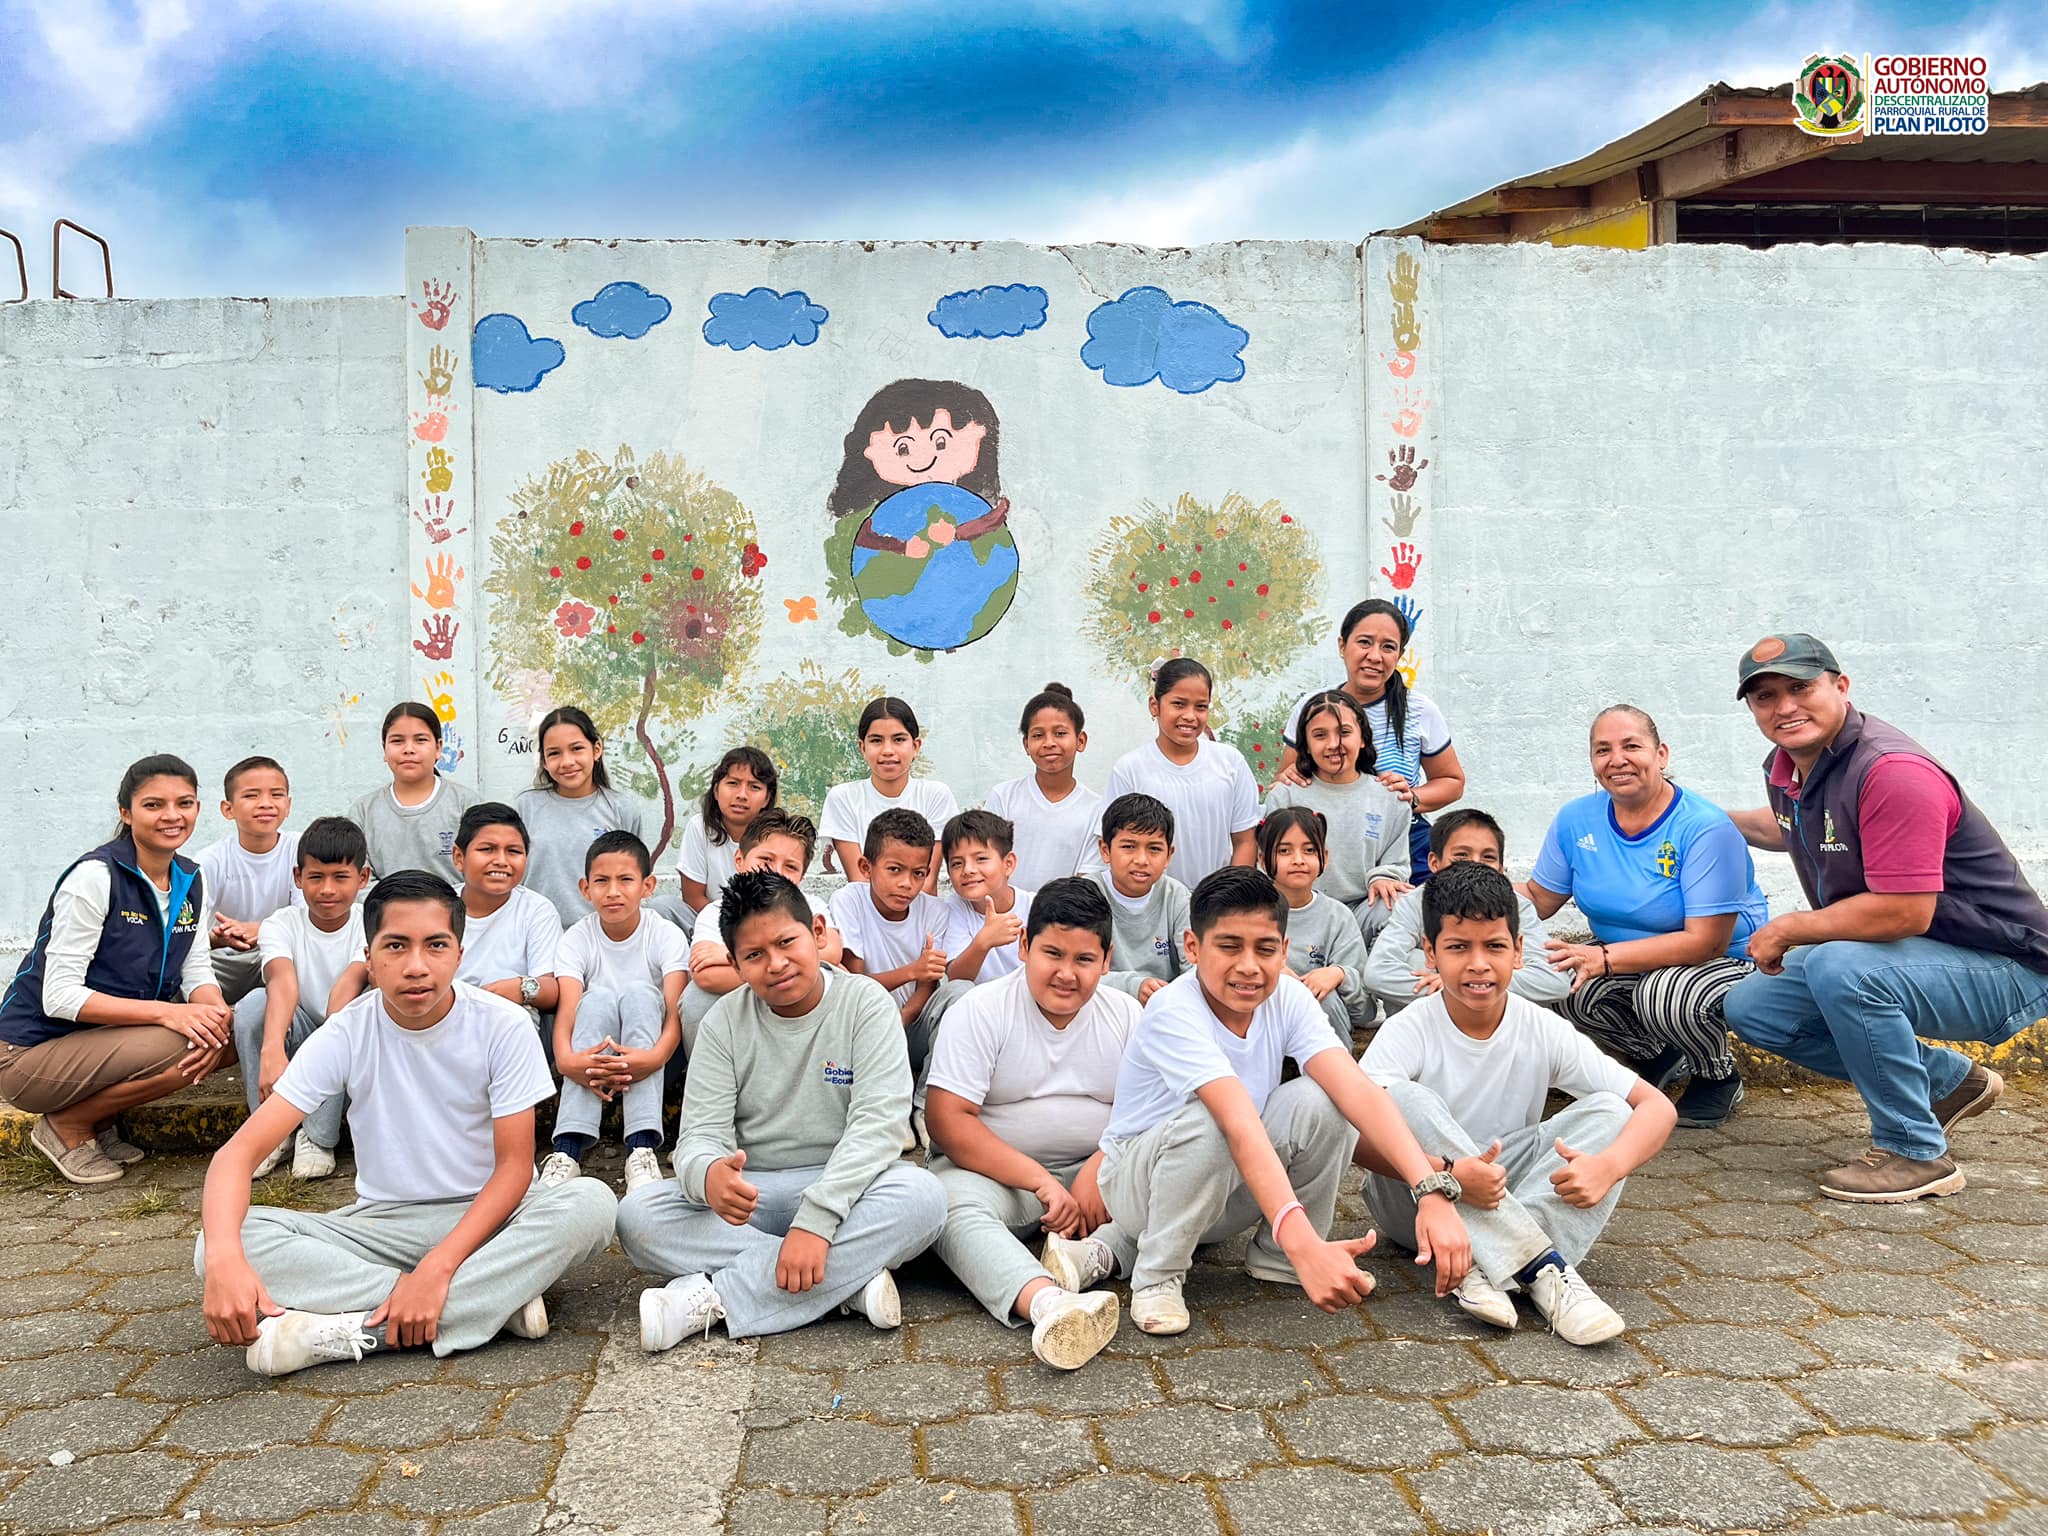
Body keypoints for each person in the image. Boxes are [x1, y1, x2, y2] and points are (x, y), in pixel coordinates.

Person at [195, 871, 618, 1378]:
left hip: (493, 1221)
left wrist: (438, 1267)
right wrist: (224, 1261)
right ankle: (486, 1303)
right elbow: (235, 1157)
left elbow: (513, 1170)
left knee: (591, 1203)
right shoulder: (346, 1031)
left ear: (459, 955)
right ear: (369, 958)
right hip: (384, 1226)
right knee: (218, 1241)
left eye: (435, 945)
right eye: (396, 946)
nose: (416, 966)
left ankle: (354, 1330)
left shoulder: (502, 1025)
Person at [1720, 634, 2048, 1202]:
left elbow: (1904, 910)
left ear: (1841, 686)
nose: (1784, 706)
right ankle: (1948, 1085)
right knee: (1757, 1007)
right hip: (1925, 954)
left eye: (1800, 687)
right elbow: (1789, 828)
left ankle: (1916, 1152)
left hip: (2008, 966)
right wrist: (1686, 816)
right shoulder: (1795, 767)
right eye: (1765, 696)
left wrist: (1787, 928)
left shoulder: (1891, 771)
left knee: (1843, 968)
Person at [1097, 867, 1471, 1335]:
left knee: (1325, 1098)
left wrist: (1430, 1189)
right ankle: (1158, 1274)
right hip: (1140, 1192)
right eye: (1229, 946)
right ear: (1192, 947)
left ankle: (1280, 1256)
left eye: (1265, 949)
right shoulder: (1172, 1009)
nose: (1249, 966)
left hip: (1223, 1186)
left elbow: (1357, 1090)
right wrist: (1304, 1242)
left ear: (1284, 949)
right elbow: (1236, 1122)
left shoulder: (1289, 997)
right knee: (1213, 1119)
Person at [618, 872, 948, 1349]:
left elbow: (878, 1127)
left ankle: (715, 1298)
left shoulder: (865, 1004)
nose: (776, 964)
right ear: (735, 964)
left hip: (847, 1188)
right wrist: (708, 1175)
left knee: (923, 1196)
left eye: (786, 942)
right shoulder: (723, 1022)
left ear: (817, 932)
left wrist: (816, 1222)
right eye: (754, 955)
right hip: (752, 1198)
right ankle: (845, 1284)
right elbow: (699, 1136)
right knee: (638, 1216)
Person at [1362, 862, 1677, 1345]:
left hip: (1498, 1184)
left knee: (1612, 1113)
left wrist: (1609, 1167)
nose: (1478, 964)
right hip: (1416, 1198)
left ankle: (1492, 1264)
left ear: (1519, 951)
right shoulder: (1409, 1028)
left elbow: (1656, 1107)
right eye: (1458, 947)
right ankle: (1540, 1264)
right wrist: (1445, 1173)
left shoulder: (1541, 1026)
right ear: (1430, 952)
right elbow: (1352, 1136)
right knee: (1400, 1098)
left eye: (1494, 946)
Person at [1525, 705, 1768, 1130]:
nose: (1616, 759)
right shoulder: (1576, 819)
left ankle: (1716, 1075)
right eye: (1603, 750)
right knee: (1560, 982)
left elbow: (1706, 941)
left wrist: (1602, 959)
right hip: (1628, 952)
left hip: (1724, 957)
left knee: (1662, 994)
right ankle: (1657, 1055)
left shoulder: (1705, 827)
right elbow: (1539, 899)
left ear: (1661, 755)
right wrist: (1459, 885)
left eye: (1631, 746)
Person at [926, 878, 1136, 1369]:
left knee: (1181, 1176)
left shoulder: (1128, 1015)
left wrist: (1101, 1165)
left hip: (1102, 1176)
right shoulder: (979, 1010)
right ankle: (1049, 1303)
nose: (1066, 973)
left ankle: (1096, 1256)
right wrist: (1040, 1181)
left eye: (1084, 959)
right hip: (1002, 1179)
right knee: (940, 1206)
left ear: (1107, 961)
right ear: (1024, 946)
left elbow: (1149, 1112)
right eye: (1052, 954)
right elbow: (946, 1121)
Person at [0, 755, 232, 1185]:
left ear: (198, 808)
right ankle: (68, 1126)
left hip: (100, 1042)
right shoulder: (95, 877)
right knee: (184, 1037)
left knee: (227, 1033)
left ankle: (98, 1120)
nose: (172, 816)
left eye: (184, 803)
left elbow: (197, 968)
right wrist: (171, 1013)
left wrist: (214, 1012)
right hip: (28, 1053)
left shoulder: (189, 878)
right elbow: (59, 996)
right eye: (153, 805)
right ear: (126, 813)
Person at [1275, 599, 1465, 881]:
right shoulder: (1312, 707)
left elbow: (1452, 781)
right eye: (1364, 642)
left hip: (1404, 844)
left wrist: (1411, 798)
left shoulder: (1419, 710)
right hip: (1325, 841)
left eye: (1388, 647)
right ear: (1342, 646)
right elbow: (1286, 777)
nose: (1375, 656)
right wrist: (1290, 777)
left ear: (1399, 655)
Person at [544, 831, 688, 1194]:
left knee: (641, 994)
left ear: (647, 886)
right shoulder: (577, 939)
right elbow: (568, 1011)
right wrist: (566, 1060)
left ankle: (641, 1148)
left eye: (625, 880)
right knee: (596, 999)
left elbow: (675, 1011)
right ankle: (567, 1152)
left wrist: (654, 1056)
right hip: (595, 1054)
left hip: (655, 1052)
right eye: (601, 881)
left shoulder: (665, 934)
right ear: (585, 888)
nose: (613, 892)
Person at [232, 816, 371, 1182]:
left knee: (346, 1021)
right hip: (298, 1024)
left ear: (363, 878)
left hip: (345, 1033)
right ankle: (269, 1132)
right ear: (298, 877)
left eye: (340, 877)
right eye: (316, 877)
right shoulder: (281, 923)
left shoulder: (370, 923)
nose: (327, 889)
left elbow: (348, 987)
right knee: (252, 1007)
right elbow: (282, 981)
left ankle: (317, 1136)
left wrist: (326, 1039)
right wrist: (271, 1049)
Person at [1366, 809, 1568, 1019]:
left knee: (1510, 961)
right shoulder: (1413, 903)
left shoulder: (1518, 906)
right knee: (1416, 960)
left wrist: (1466, 985)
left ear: (1500, 868)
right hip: (1429, 1023)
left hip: (1498, 1022)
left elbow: (1554, 982)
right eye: (1461, 855)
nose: (1474, 863)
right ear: (1434, 863)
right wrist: (1451, 988)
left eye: (1488, 857)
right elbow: (1378, 972)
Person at [681, 810, 841, 1057]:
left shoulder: (811, 905)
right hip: (745, 1010)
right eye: (766, 860)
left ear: (801, 877)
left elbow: (832, 952)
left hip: (801, 1007)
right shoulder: (716, 912)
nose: (775, 872)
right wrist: (796, 967)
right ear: (739, 859)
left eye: (790, 867)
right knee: (696, 999)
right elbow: (705, 975)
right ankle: (705, 1072)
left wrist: (732, 956)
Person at [826, 809, 969, 1083]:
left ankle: (927, 1100)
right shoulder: (849, 901)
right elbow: (855, 983)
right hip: (863, 1024)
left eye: (918, 874)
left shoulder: (935, 911)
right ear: (866, 867)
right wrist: (913, 970)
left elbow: (927, 985)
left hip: (912, 1025)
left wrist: (903, 1019)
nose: (906, 884)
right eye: (894, 869)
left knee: (960, 992)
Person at [1263, 689, 1412, 946]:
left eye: (1344, 732)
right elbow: (1268, 863)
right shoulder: (1285, 796)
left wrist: (1385, 877)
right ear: (1306, 745)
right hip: (1301, 912)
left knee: (1405, 904)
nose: (1334, 744)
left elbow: (1396, 861)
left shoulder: (1390, 797)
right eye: (1320, 735)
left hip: (1363, 908)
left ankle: (1374, 969)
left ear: (1363, 738)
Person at [1103, 659, 1259, 887]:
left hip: (1218, 901)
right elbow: (1117, 845)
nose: (1190, 716)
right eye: (1179, 704)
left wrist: (1231, 896)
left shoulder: (1231, 763)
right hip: (1150, 901)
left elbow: (1245, 841)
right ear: (1154, 706)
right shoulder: (1130, 770)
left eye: (1200, 707)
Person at [515, 706, 647, 928]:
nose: (567, 762)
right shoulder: (526, 806)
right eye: (554, 753)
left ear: (596, 750)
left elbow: (634, 875)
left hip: (602, 935)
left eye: (576, 748)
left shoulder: (621, 809)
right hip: (537, 933)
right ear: (544, 761)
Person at [819, 698, 959, 886]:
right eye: (876, 740)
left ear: (916, 747)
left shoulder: (935, 795)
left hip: (922, 905)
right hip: (865, 905)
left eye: (898, 739)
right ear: (862, 748)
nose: (887, 750)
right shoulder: (843, 798)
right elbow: (859, 882)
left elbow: (926, 883)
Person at [1258, 808, 1374, 1035]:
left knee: (1324, 998)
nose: (1298, 860)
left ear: (1325, 857)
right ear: (1262, 860)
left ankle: (1334, 1059)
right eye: (1284, 851)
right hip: (1263, 1019)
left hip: (1322, 1031)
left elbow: (1365, 1011)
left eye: (1309, 850)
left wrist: (1339, 975)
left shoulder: (1338, 917)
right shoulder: (1248, 914)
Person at [198, 756, 301, 1006]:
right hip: (225, 958)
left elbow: (310, 916)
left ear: (288, 805)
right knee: (183, 970)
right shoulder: (210, 860)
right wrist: (216, 938)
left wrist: (263, 929)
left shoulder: (301, 849)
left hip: (282, 952)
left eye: (276, 795)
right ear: (228, 809)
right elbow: (188, 931)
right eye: (251, 795)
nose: (265, 803)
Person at [449, 804, 562, 1024]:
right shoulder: (438, 907)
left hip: (510, 1023)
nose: (501, 861)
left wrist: (520, 988)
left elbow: (552, 989)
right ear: (459, 857)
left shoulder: (536, 910)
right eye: (487, 849)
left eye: (514, 851)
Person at [985, 684, 1103, 892]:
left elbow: (1085, 882)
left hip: (1066, 911)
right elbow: (986, 862)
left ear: (1080, 740)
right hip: (1005, 910)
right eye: (1038, 735)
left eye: (1060, 733)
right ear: (1026, 744)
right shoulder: (1004, 797)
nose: (1049, 743)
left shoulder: (1097, 809)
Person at [348, 702, 478, 884]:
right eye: (397, 741)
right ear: (384, 749)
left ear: (438, 748)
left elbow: (479, 875)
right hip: (384, 903)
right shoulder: (363, 811)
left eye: (420, 740)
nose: (408, 749)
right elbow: (358, 880)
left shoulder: (466, 804)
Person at [1084, 794, 1191, 1002]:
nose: (1141, 860)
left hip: (1164, 1005)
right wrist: (1133, 986)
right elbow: (1077, 969)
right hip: (1101, 1005)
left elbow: (1196, 969)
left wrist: (1167, 996)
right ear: (1105, 850)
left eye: (1154, 849)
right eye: (1129, 846)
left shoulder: (1177, 897)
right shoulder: (1085, 895)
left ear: (1169, 855)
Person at [674, 746, 778, 919]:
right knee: (664, 906)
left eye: (754, 786)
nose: (742, 795)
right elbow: (693, 898)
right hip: (707, 920)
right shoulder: (699, 827)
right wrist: (727, 927)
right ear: (716, 790)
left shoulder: (777, 836)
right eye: (733, 783)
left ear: (766, 798)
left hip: (761, 925)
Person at [940, 809, 1035, 984]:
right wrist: (984, 941)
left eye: (981, 859)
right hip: (978, 999)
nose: (968, 870)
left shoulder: (1036, 907)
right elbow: (956, 978)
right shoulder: (954, 908)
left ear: (1008, 864)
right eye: (957, 863)